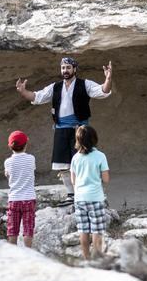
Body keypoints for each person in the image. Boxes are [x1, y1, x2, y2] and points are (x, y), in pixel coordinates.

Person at [16, 57, 113, 206]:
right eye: (63, 68)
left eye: (68, 67)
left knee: (82, 161)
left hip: (79, 130)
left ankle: (83, 193)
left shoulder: (84, 84)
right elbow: (37, 96)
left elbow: (103, 91)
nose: (65, 71)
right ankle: (70, 195)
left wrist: (108, 78)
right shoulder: (55, 87)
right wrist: (23, 91)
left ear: (74, 69)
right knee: (63, 165)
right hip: (61, 129)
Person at [70, 125, 110, 261]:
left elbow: (73, 180)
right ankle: (97, 258)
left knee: (83, 230)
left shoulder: (75, 158)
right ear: (95, 139)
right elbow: (106, 179)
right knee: (97, 230)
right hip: (95, 198)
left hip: (80, 198)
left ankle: (86, 258)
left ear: (78, 140)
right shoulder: (100, 156)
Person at [4, 130, 36, 248]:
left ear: (9, 145)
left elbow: (8, 175)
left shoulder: (8, 162)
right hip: (29, 198)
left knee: (12, 229)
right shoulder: (31, 158)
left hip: (14, 199)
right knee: (28, 228)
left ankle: (13, 255)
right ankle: (28, 252)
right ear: (26, 144)